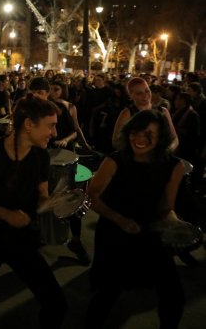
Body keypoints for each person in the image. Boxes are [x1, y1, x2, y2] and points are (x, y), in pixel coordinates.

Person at [0, 93, 67, 329]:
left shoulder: (40, 156)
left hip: (20, 239)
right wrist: (6, 214)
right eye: (50, 126)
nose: (54, 133)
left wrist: (58, 203)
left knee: (56, 303)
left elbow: (41, 198)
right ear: (29, 125)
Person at [85, 109, 185, 329]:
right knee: (107, 293)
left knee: (174, 296)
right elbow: (91, 197)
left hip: (150, 233)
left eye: (148, 135)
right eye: (135, 132)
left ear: (161, 139)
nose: (139, 139)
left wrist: (175, 224)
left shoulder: (174, 166)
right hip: (115, 233)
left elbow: (166, 207)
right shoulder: (115, 161)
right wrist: (119, 219)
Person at [31, 77, 90, 264]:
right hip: (41, 161)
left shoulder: (60, 109)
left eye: (41, 93)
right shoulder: (29, 112)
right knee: (40, 199)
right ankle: (38, 238)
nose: (38, 97)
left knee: (69, 199)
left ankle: (76, 240)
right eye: (34, 94)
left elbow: (74, 131)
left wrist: (65, 140)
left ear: (47, 93)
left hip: (64, 158)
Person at [112, 77, 178, 151]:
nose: (145, 95)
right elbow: (116, 142)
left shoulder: (163, 111)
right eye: (139, 93)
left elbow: (174, 138)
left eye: (147, 91)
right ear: (131, 95)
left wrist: (166, 151)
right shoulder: (127, 113)